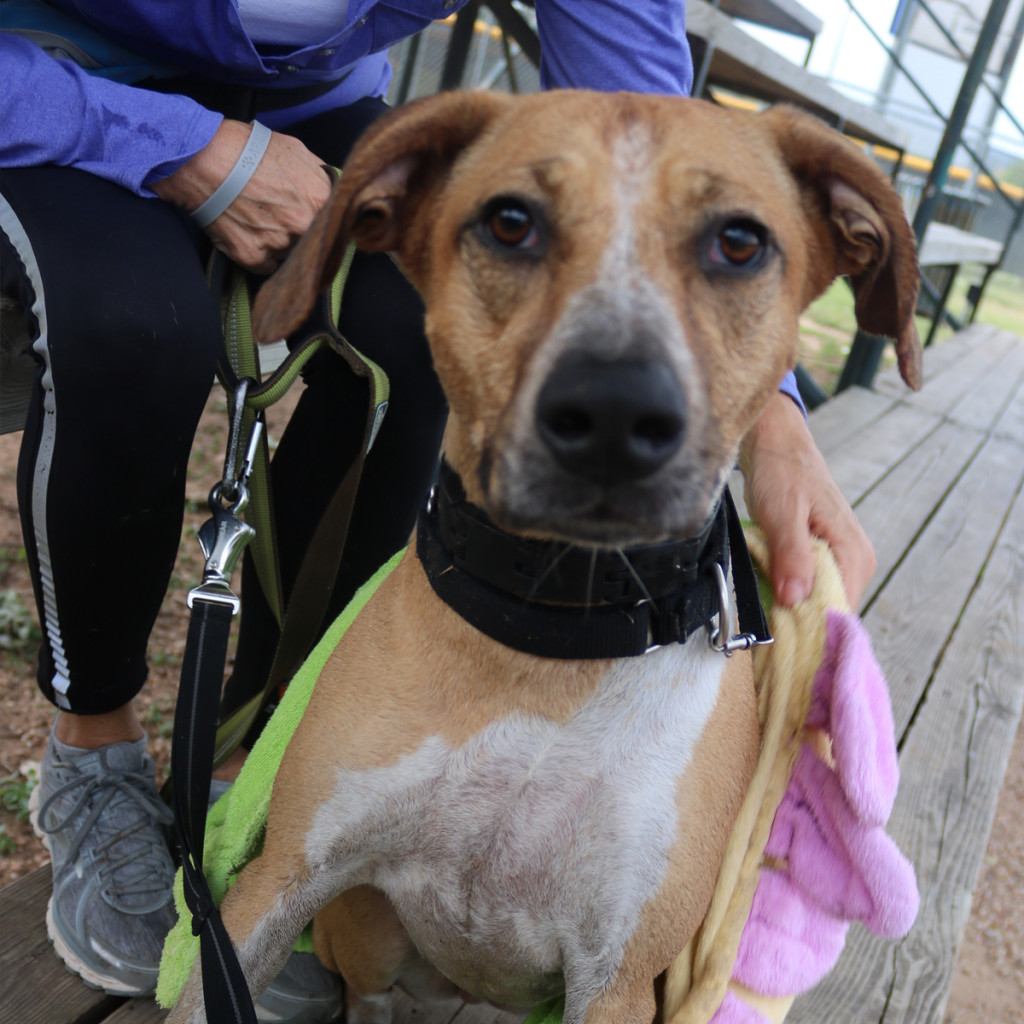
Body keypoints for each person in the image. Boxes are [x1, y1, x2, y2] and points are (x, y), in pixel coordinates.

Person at [0, 2, 875, 1020]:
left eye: (736, 247)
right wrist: (188, 147)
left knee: (396, 327)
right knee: (134, 320)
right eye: (515, 228)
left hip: (305, 105)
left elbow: (638, 100)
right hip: (43, 74)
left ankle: (285, 751)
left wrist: (772, 412)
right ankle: (94, 749)